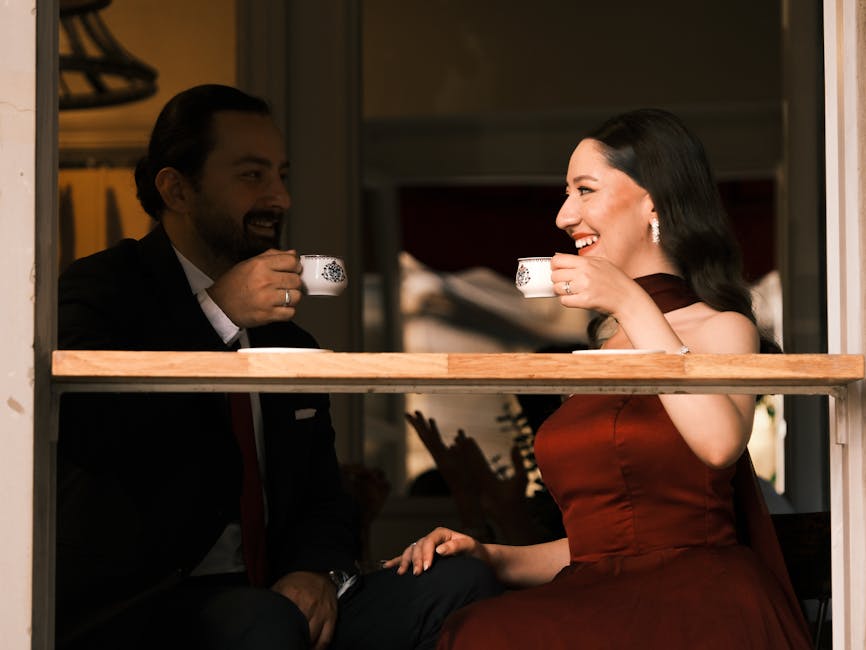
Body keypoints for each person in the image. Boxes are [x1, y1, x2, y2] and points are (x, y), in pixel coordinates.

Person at [56, 84, 501, 650]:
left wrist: (316, 571)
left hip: (277, 594)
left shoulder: (287, 339)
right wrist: (216, 314)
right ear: (176, 189)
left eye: (282, 175)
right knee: (260, 620)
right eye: (252, 175)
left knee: (461, 582)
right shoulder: (102, 290)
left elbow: (322, 495)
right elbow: (93, 434)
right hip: (153, 605)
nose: (280, 198)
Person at [385, 108, 813, 649]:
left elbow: (719, 443)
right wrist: (490, 554)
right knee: (475, 629)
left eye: (585, 190)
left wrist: (630, 301)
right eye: (566, 195)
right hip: (604, 595)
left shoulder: (722, 327)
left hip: (699, 600)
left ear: (653, 201)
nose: (564, 216)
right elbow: (602, 546)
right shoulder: (598, 353)